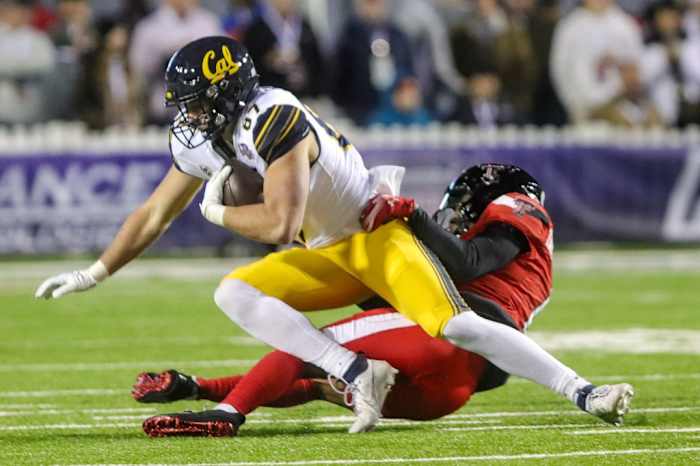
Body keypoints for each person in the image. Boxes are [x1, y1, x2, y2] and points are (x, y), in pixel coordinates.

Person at [35, 36, 630, 436]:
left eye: (194, 103)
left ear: (225, 94)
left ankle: (583, 390)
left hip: (374, 236)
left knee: (456, 324)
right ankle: (352, 370)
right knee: (233, 293)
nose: (185, 116)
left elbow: (278, 224)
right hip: (330, 252)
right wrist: (96, 271)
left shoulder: (274, 116)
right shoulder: (206, 135)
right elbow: (153, 213)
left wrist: (215, 214)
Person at [132, 164, 634, 437]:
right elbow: (395, 287)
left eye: (460, 206)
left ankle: (227, 414)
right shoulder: (537, 256)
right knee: (325, 377)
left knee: (310, 347)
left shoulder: (517, 208)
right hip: (450, 390)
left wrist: (412, 218)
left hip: (449, 341)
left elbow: (469, 261)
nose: (452, 216)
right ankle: (200, 389)